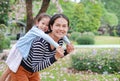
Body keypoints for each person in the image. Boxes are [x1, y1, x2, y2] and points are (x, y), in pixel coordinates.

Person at [0, 13, 71, 81]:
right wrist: (56, 55)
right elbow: (39, 65)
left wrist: (67, 50)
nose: (61, 29)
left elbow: (53, 56)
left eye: (64, 26)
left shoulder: (60, 40)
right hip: (19, 56)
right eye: (58, 25)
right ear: (51, 27)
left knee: (10, 73)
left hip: (33, 70)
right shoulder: (40, 39)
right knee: (9, 70)